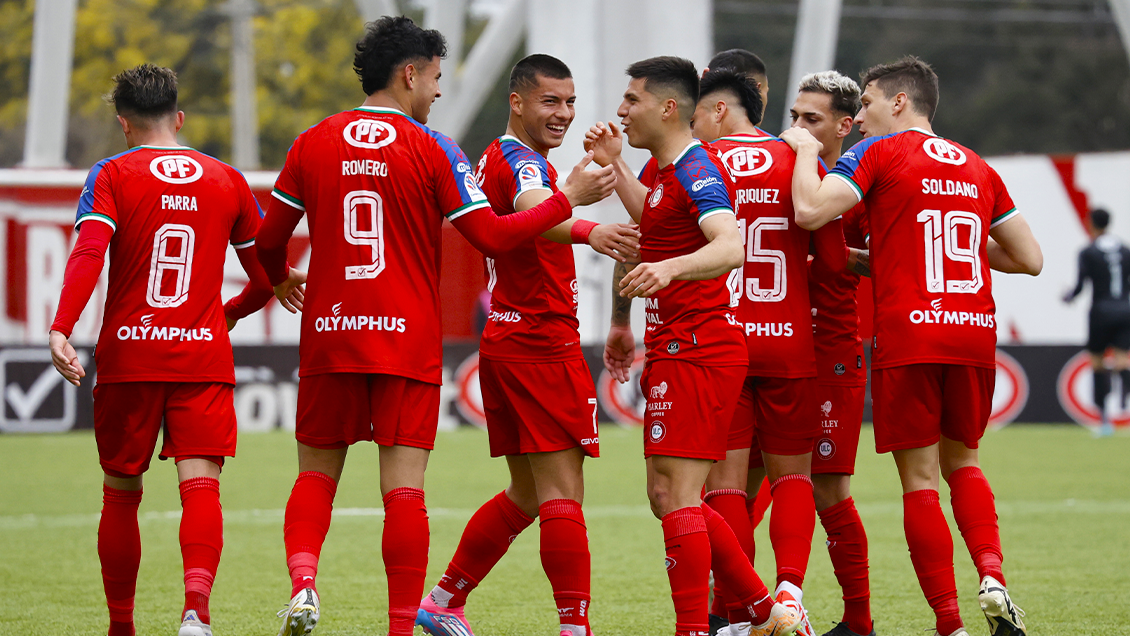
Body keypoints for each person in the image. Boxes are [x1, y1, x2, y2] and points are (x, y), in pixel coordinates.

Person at [254, 17, 616, 636]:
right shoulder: (434, 148)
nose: (439, 93)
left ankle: (305, 585)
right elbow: (493, 236)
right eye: (437, 79)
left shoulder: (312, 141)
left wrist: (282, 277)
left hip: (331, 333)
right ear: (410, 74)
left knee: (316, 474)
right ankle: (402, 625)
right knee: (405, 493)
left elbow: (266, 242)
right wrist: (572, 200)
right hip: (404, 338)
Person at [780, 56, 1043, 636]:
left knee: (920, 480)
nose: (864, 117)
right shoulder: (977, 165)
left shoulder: (876, 153)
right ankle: (993, 577)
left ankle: (950, 625)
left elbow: (809, 208)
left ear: (899, 102)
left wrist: (802, 151)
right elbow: (1030, 259)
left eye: (869, 104)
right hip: (973, 330)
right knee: (965, 464)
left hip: (912, 331)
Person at [47, 64, 304, 636]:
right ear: (180, 118)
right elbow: (264, 278)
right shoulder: (227, 178)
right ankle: (196, 614)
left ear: (124, 124)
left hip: (129, 356)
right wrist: (225, 317)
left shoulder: (111, 173)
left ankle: (121, 627)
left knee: (121, 494)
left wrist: (61, 328)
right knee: (201, 486)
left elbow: (90, 253)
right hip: (200, 356)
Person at [415, 54, 639, 636]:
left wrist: (574, 194)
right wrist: (592, 225)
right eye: (550, 101)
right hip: (539, 343)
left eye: (568, 102)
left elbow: (537, 206)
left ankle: (443, 600)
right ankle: (574, 627)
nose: (563, 113)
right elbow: (530, 206)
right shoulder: (518, 160)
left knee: (527, 492)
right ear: (517, 101)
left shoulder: (505, 154)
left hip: (508, 341)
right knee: (564, 495)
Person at [587, 56, 802, 636]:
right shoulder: (664, 171)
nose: (621, 109)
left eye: (632, 99)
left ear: (668, 107)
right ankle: (766, 613)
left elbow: (729, 246)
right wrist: (617, 167)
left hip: (701, 346)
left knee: (677, 496)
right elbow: (657, 223)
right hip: (677, 344)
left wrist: (671, 271)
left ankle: (703, 628)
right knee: (668, 496)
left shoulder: (698, 167)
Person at [691, 68, 849, 636]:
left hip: (723, 341)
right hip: (790, 344)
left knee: (726, 485)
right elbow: (833, 264)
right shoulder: (800, 161)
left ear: (715, 109)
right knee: (793, 479)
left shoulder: (700, 161)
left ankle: (740, 612)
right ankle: (790, 594)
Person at [787, 71, 875, 636]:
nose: (797, 129)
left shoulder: (853, 185)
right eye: (794, 117)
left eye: (811, 120)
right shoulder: (779, 168)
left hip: (832, 349)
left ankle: (858, 620)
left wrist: (844, 257)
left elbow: (881, 256)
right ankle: (740, 611)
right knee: (743, 478)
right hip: (774, 349)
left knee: (827, 488)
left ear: (845, 126)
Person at [1063, 207, 1130, 436]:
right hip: (1125, 310)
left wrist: (1068, 297)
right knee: (1122, 361)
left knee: (1098, 363)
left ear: (1091, 223)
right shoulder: (1125, 250)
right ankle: (1125, 403)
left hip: (1100, 312)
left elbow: (1080, 286)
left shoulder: (1088, 252)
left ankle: (1104, 421)